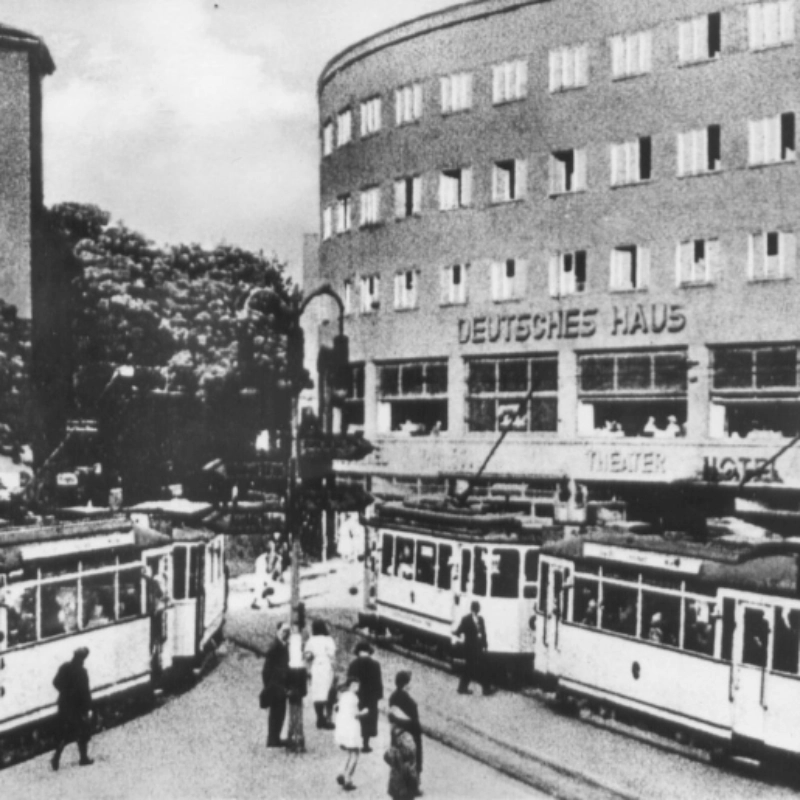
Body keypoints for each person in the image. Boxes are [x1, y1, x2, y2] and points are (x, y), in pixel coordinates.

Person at [51, 647, 94, 770]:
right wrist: (88, 708)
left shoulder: (65, 667)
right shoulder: (82, 672)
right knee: (83, 733)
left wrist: (64, 691)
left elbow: (55, 682)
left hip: (64, 705)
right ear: (82, 658)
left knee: (64, 733)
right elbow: (86, 692)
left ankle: (56, 758)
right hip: (77, 707)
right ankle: (84, 758)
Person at [388, 670, 423, 793]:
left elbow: (392, 716)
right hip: (410, 732)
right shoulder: (406, 699)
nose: (411, 685)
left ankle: (402, 785)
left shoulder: (393, 696)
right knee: (412, 760)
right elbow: (409, 718)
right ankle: (413, 786)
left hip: (399, 731)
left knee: (400, 760)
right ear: (405, 684)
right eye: (409, 682)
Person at [346, 641, 383, 753]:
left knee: (355, 717)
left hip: (357, 695)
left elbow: (349, 681)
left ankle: (352, 742)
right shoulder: (375, 665)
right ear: (369, 651)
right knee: (369, 719)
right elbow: (378, 682)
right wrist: (378, 695)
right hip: (371, 696)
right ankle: (365, 744)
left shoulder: (353, 664)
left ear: (358, 651)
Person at [335, 677, 368, 791]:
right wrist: (364, 712)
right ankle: (348, 778)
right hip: (352, 728)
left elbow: (337, 709)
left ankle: (341, 771)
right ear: (351, 685)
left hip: (343, 728)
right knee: (355, 754)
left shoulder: (343, 696)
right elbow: (355, 714)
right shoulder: (354, 698)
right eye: (356, 686)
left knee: (348, 753)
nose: (357, 688)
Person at [452, 601, 493, 695]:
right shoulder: (466, 619)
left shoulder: (481, 619)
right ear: (474, 609)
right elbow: (459, 631)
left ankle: (483, 689)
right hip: (470, 648)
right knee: (471, 668)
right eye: (477, 608)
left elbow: (484, 633)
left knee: (480, 668)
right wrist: (455, 633)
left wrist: (485, 645)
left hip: (478, 648)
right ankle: (465, 688)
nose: (478, 610)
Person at [262, 622, 291, 747]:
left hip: (280, 684)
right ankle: (273, 739)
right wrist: (269, 685)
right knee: (276, 712)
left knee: (280, 712)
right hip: (275, 684)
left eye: (287, 631)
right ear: (278, 631)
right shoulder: (275, 647)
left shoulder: (283, 645)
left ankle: (275, 737)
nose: (286, 633)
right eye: (284, 630)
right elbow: (266, 669)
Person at [305, 619, 337, 729]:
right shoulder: (328, 640)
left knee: (317, 692)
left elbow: (307, 655)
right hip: (326, 666)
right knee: (328, 691)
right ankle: (328, 718)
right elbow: (332, 654)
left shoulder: (311, 640)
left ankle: (319, 717)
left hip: (315, 666)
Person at [384, 714, 419, 800]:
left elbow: (387, 756)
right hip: (401, 776)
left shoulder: (404, 738)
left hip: (402, 776)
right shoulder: (402, 737)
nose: (392, 726)